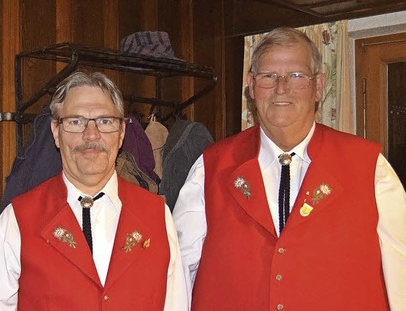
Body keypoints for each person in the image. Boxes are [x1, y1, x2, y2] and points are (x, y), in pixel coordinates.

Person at [173, 27, 406, 310]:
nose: (281, 88)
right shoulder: (210, 168)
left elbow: (401, 272)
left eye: (296, 76)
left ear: (319, 86)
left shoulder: (369, 167)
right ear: (251, 85)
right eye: (269, 76)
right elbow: (178, 274)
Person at [0, 71, 188, 310]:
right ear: (56, 132)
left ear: (121, 132)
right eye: (75, 121)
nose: (91, 135)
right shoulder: (16, 220)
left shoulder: (157, 216)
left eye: (105, 121)